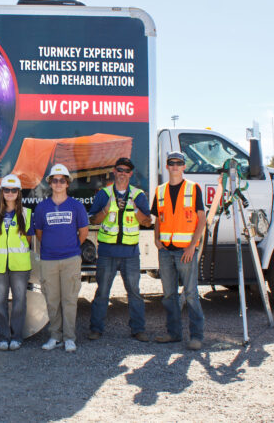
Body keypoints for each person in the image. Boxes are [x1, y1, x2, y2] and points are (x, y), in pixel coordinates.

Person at [87, 158, 153, 342]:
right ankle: (96, 329)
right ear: (114, 172)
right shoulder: (104, 194)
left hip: (130, 253)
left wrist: (135, 209)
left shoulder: (139, 195)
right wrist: (106, 210)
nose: (122, 173)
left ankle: (138, 329)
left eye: (126, 170)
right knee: (102, 292)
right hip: (107, 252)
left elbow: (147, 221)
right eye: (119, 169)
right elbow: (93, 220)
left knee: (134, 292)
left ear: (131, 174)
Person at [152, 151, 207, 350]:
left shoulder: (193, 188)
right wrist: (156, 238)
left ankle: (196, 336)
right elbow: (158, 217)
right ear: (166, 166)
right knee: (168, 295)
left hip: (186, 251)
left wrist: (193, 246)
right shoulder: (160, 190)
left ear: (184, 166)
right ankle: (173, 333)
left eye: (178, 163)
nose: (174, 166)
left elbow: (201, 218)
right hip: (166, 251)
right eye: (171, 163)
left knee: (191, 293)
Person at [33, 164, 89, 353]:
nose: (58, 183)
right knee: (52, 299)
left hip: (71, 259)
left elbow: (83, 232)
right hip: (49, 259)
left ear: (67, 184)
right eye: (55, 180)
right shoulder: (42, 207)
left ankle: (69, 338)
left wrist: (71, 247)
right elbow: (39, 233)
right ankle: (55, 336)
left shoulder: (76, 206)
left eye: (62, 180)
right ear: (50, 183)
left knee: (70, 299)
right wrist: (52, 246)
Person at [0, 174, 34, 351]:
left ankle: (17, 337)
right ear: (2, 192)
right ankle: (3, 337)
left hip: (19, 265)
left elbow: (28, 238)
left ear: (18, 193)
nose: (10, 193)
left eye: (13, 190)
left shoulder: (26, 213)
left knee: (20, 300)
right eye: (7, 190)